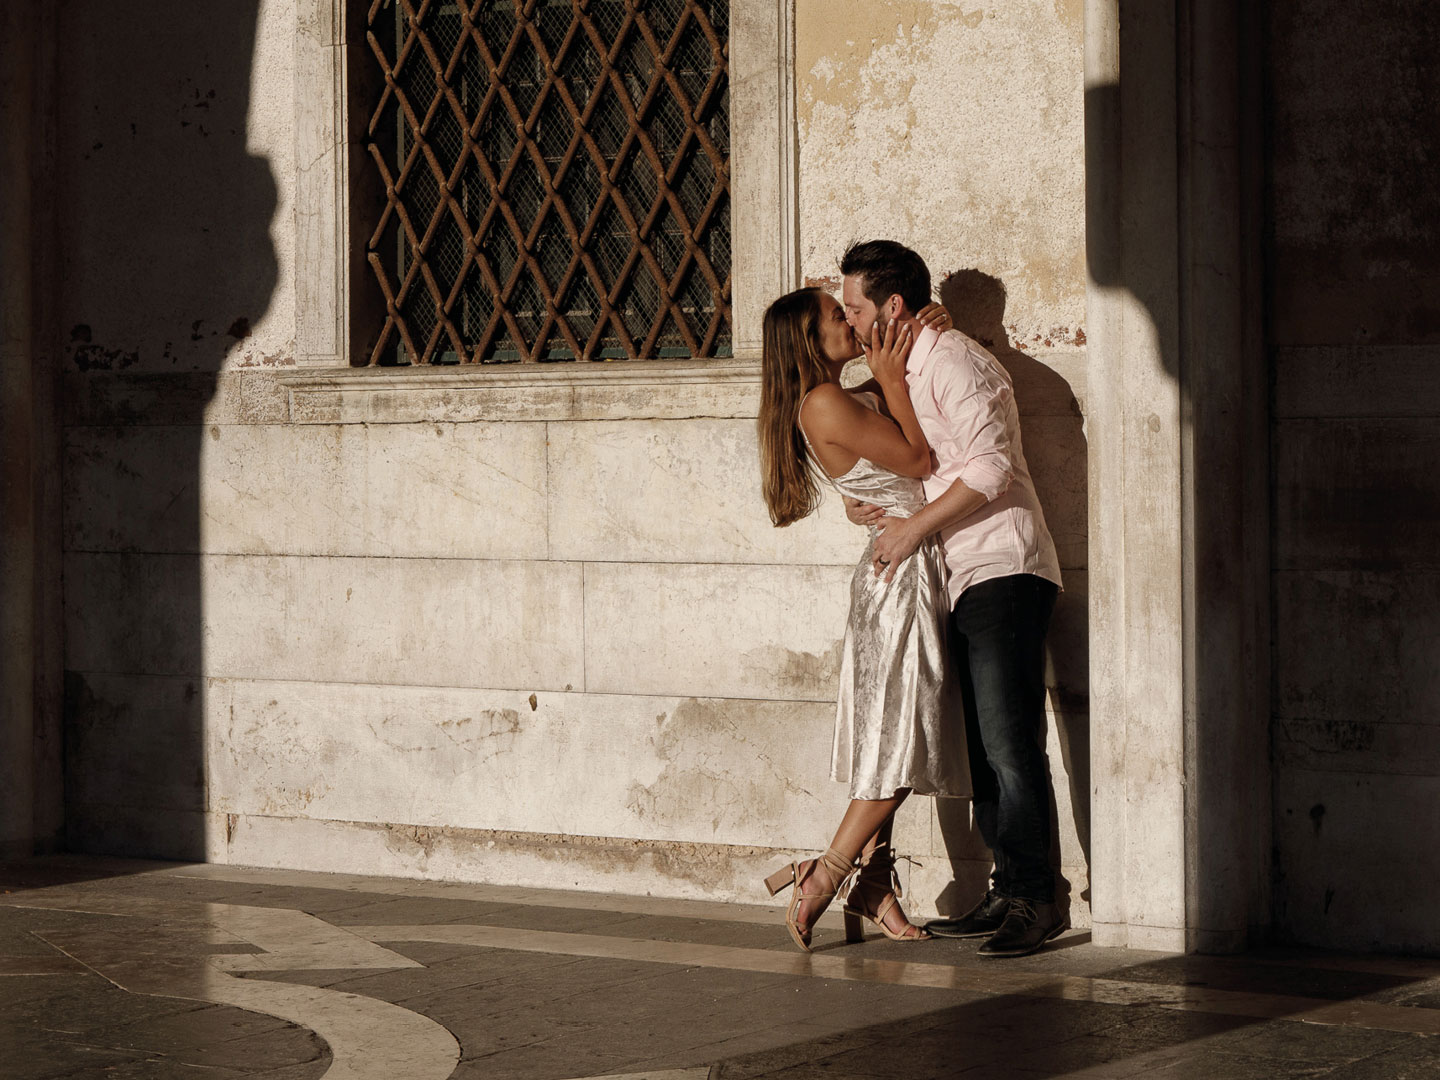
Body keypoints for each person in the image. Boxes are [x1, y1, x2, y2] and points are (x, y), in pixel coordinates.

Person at [837, 240, 1066, 958]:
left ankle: (1037, 898)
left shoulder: (957, 361)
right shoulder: (901, 369)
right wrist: (875, 508)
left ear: (892, 306)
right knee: (982, 747)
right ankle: (1006, 889)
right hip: (953, 576)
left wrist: (910, 530)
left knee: (1008, 742)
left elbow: (993, 468)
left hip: (1002, 566)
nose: (848, 321)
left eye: (854, 308)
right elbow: (922, 467)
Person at [756, 286, 968, 952]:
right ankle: (825, 875)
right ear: (808, 340)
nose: (848, 319)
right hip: (897, 581)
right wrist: (893, 377)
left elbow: (885, 464)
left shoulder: (835, 397)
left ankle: (873, 882)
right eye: (834, 314)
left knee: (902, 738)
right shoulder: (824, 401)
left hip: (906, 570)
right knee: (900, 744)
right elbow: (917, 459)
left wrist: (929, 327)